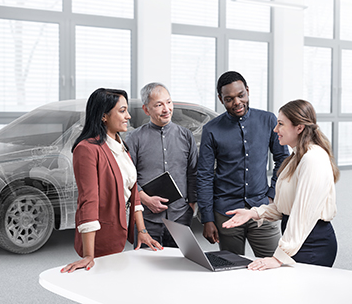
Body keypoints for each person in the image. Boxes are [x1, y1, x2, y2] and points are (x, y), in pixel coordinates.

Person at [223, 99, 339, 270]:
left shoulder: (313, 159)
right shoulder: (296, 157)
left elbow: (303, 214)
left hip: (312, 242)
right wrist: (253, 213)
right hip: (297, 239)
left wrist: (278, 257)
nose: (275, 129)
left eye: (281, 124)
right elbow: (284, 207)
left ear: (299, 128)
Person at [61, 88, 162, 273]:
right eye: (122, 111)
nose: (128, 116)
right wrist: (88, 255)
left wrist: (142, 231)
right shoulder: (87, 149)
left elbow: (133, 192)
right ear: (104, 116)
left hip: (119, 234)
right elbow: (88, 201)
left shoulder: (121, 144)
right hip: (100, 238)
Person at [196, 71, 289, 257]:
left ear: (247, 91)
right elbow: (204, 175)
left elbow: (284, 160)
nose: (237, 102)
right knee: (231, 268)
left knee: (275, 264)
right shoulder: (211, 129)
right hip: (226, 211)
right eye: (229, 99)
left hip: (261, 209)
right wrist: (207, 218)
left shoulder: (268, 120)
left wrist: (272, 194)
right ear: (221, 99)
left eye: (241, 95)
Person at [125, 82, 198, 247]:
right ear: (146, 109)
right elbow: (127, 178)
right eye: (159, 105)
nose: (166, 109)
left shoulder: (186, 136)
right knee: (147, 268)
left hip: (180, 217)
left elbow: (193, 173)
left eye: (169, 102)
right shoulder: (134, 139)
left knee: (178, 268)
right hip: (147, 219)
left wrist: (190, 207)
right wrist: (144, 199)